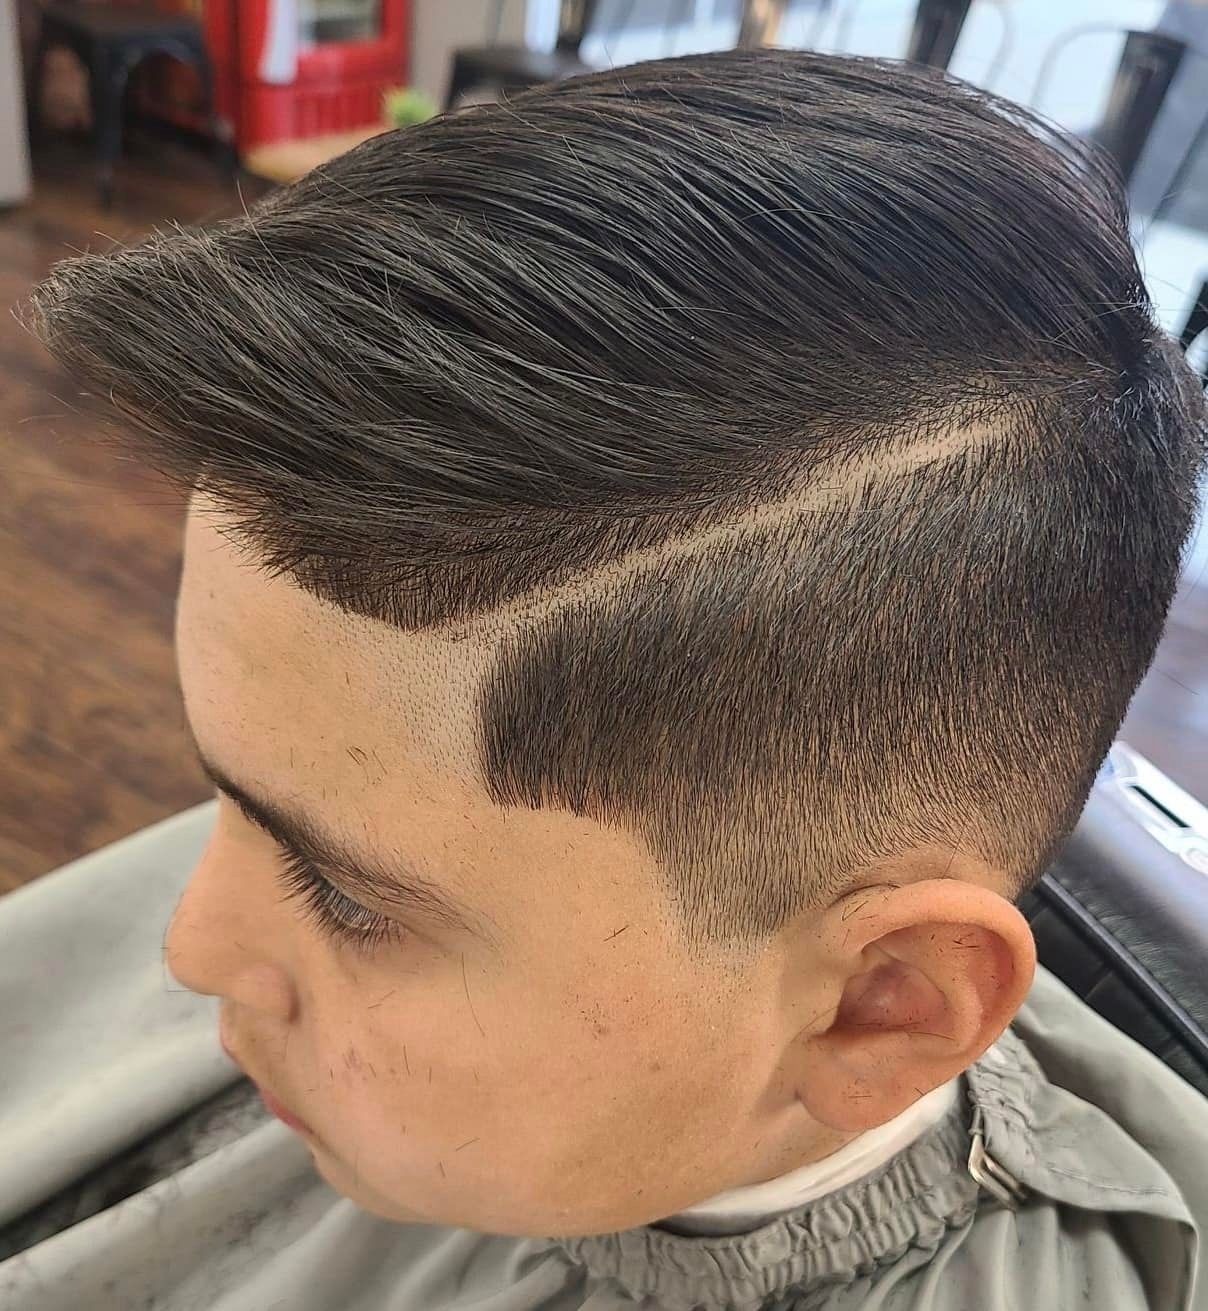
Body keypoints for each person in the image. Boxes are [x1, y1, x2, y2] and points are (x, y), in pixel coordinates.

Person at [2, 45, 1207, 1311]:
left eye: (348, 900)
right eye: (224, 794)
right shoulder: (407, 802)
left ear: (880, 1009)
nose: (189, 948)